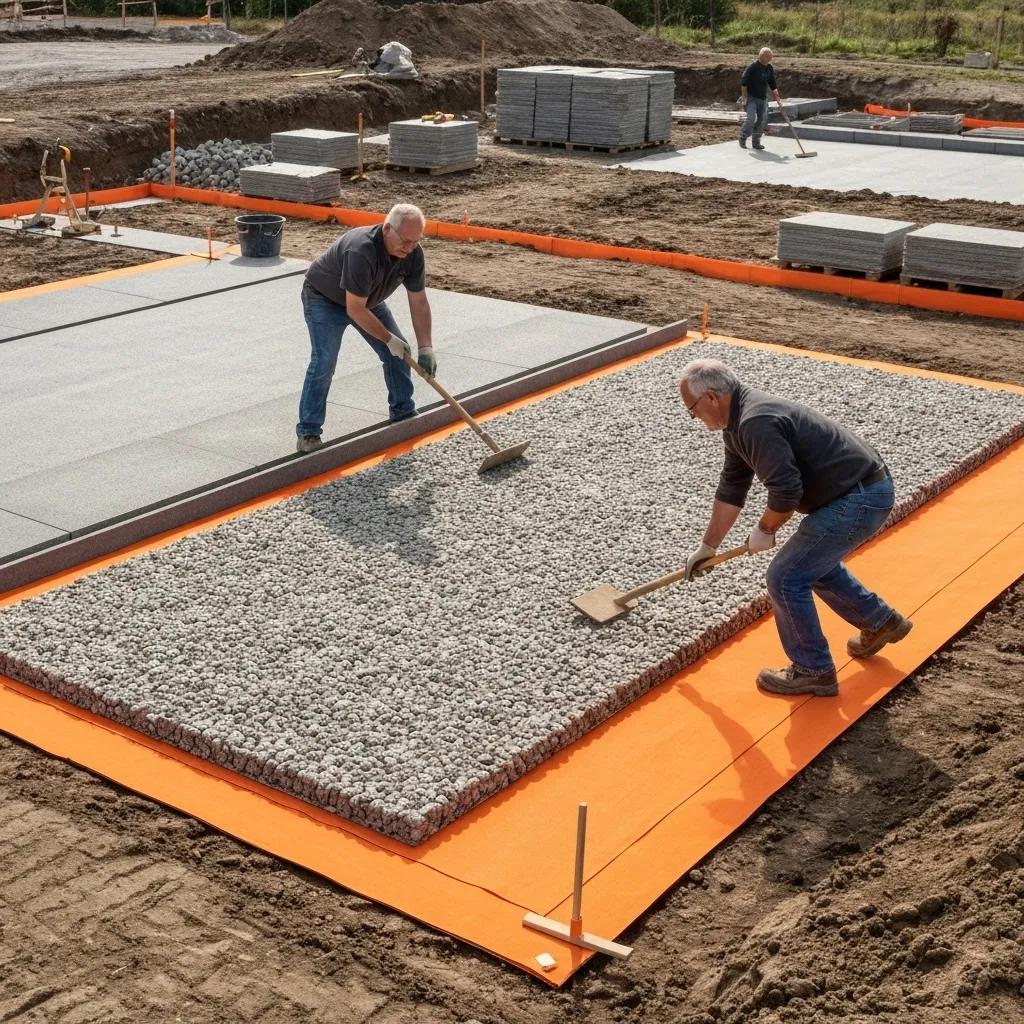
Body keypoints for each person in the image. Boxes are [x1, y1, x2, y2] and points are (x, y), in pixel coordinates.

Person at [679, 358, 912, 697]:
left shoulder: (756, 422)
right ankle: (880, 622)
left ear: (712, 397)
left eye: (692, 410)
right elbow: (732, 487)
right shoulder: (737, 424)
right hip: (856, 491)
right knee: (811, 566)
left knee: (786, 576)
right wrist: (708, 547)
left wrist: (765, 529)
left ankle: (813, 671)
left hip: (859, 497)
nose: (695, 417)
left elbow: (787, 491)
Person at [295, 203, 436, 454]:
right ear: (387, 229)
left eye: (416, 242)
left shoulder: (413, 254)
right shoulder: (361, 250)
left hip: (367, 299)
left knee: (399, 354)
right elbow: (355, 310)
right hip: (324, 298)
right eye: (405, 241)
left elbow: (419, 301)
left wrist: (426, 347)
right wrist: (388, 339)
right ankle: (308, 432)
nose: (410, 247)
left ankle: (403, 414)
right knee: (324, 360)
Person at [738, 47, 781, 151]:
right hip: (751, 97)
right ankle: (743, 136)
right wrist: (744, 98)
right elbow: (744, 83)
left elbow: (772, 83)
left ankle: (756, 141)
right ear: (760, 56)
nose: (768, 58)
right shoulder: (753, 67)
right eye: (766, 56)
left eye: (770, 56)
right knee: (751, 118)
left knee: (762, 120)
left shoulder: (769, 68)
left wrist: (777, 98)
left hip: (763, 98)